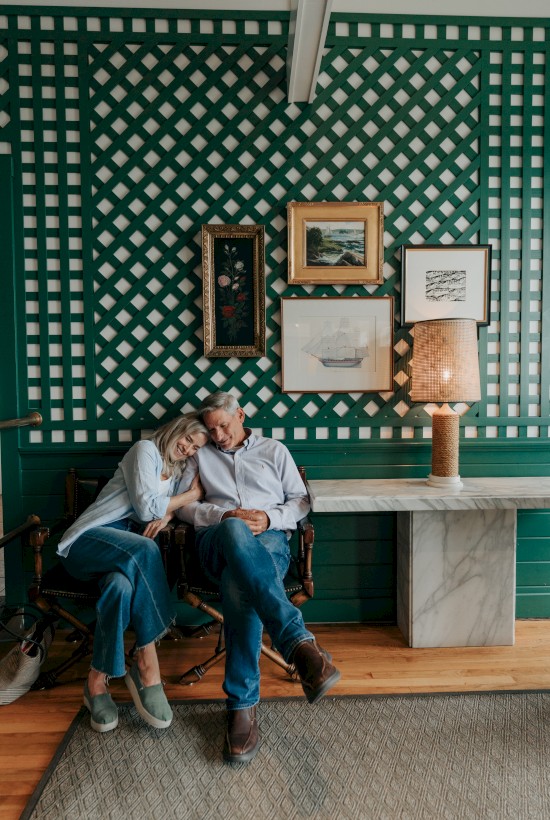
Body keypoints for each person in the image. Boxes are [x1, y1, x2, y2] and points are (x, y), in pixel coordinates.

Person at [175, 391, 340, 764]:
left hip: (269, 543)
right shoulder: (200, 455)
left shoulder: (274, 450)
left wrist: (268, 519)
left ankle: (241, 709)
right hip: (215, 544)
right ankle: (299, 644)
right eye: (211, 429)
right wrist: (223, 517)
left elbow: (300, 501)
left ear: (241, 415)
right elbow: (184, 506)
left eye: (223, 426)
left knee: (239, 587)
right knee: (234, 529)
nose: (218, 436)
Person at [57, 413, 209, 733]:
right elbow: (146, 508)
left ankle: (96, 681)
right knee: (146, 549)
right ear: (176, 429)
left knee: (120, 588)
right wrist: (191, 496)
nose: (188, 449)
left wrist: (168, 516)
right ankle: (147, 662)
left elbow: (165, 509)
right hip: (89, 540)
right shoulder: (145, 450)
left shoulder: (177, 470)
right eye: (187, 439)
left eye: (196, 447)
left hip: (123, 555)